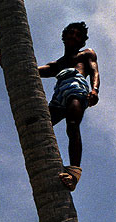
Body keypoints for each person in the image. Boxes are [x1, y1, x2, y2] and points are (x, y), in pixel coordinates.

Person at [38, 22, 100, 190]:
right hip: (58, 97)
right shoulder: (57, 64)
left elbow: (94, 71)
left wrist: (94, 90)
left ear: (83, 41)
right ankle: (46, 159)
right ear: (64, 37)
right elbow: (31, 71)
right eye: (71, 33)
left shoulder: (86, 55)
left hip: (76, 91)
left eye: (78, 35)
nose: (74, 36)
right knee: (41, 126)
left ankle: (74, 173)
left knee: (72, 126)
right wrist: (9, 62)